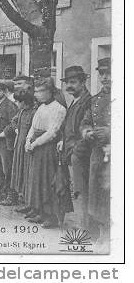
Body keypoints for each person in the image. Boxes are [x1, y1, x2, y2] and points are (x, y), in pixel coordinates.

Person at [25, 77, 71, 229]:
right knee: (37, 180)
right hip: (37, 147)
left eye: (40, 91)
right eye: (36, 91)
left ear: (50, 92)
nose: (36, 94)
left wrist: (35, 143)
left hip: (48, 149)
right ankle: (40, 211)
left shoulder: (59, 108)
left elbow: (52, 132)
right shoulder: (41, 107)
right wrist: (28, 140)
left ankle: (52, 216)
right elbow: (33, 126)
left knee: (48, 181)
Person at [81, 57, 111, 245]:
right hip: (98, 154)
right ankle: (103, 232)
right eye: (102, 74)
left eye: (110, 73)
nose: (106, 78)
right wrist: (87, 132)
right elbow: (85, 121)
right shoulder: (95, 100)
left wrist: (111, 131)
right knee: (97, 194)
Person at [58, 66, 91, 230]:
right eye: (67, 82)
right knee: (72, 188)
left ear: (83, 82)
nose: (69, 86)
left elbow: (84, 128)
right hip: (69, 151)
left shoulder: (87, 101)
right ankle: (80, 222)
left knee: (80, 190)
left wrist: (75, 150)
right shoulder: (74, 100)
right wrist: (62, 140)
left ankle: (84, 226)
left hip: (79, 154)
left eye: (73, 82)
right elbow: (68, 126)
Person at [0, 90, 37, 207]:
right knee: (16, 172)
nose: (16, 103)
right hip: (18, 146)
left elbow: (35, 129)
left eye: (17, 101)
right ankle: (14, 197)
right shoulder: (21, 112)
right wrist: (16, 129)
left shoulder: (34, 113)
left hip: (27, 148)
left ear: (24, 102)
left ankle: (28, 201)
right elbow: (13, 121)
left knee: (26, 173)